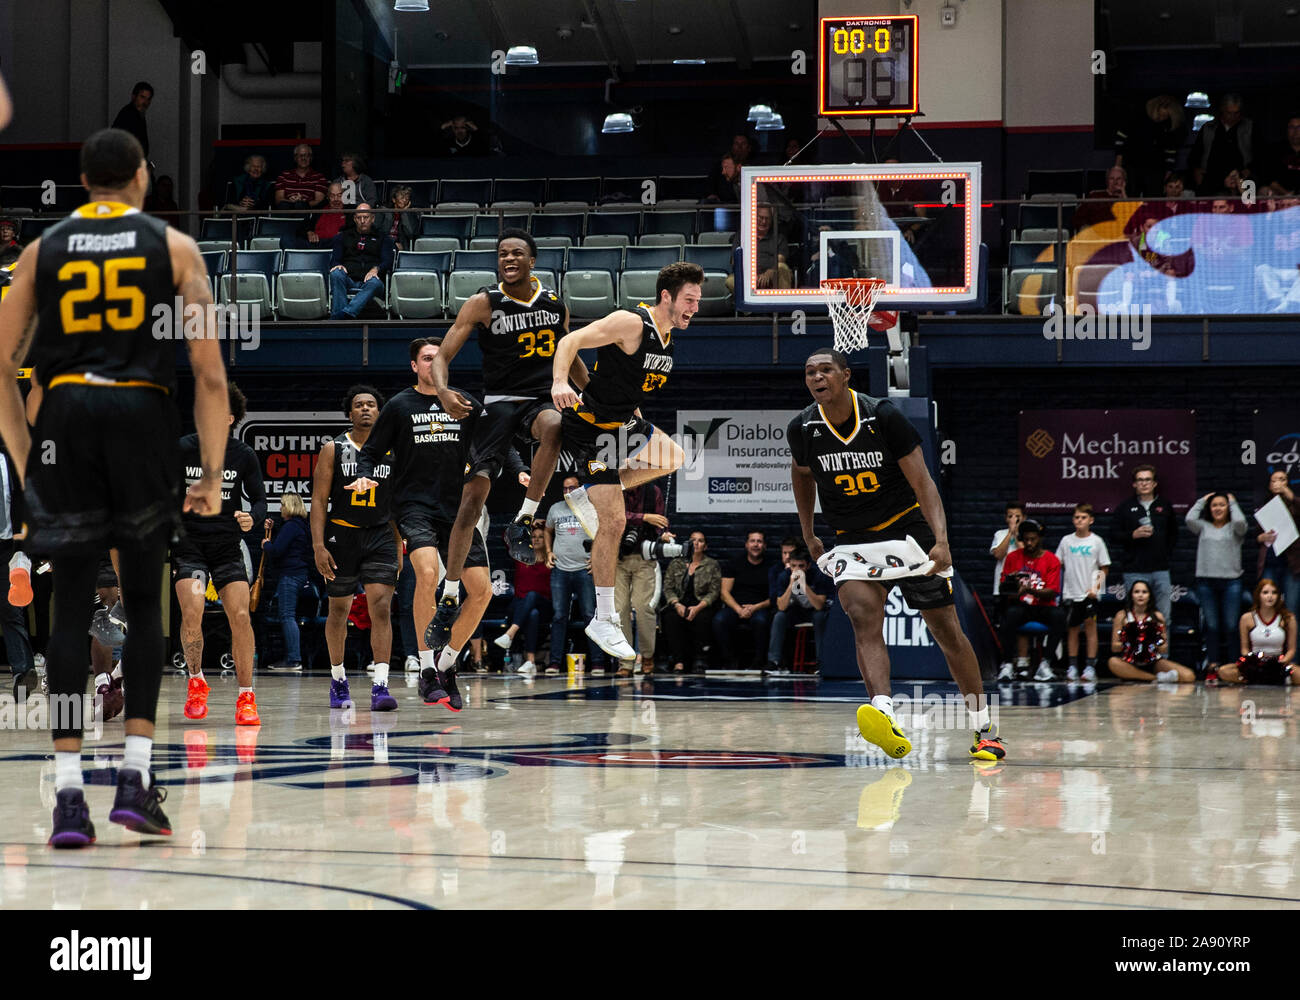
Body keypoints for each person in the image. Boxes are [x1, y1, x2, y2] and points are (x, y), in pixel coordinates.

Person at [0, 127, 229, 847]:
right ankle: (134, 779)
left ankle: (69, 798)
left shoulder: (40, 250)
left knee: (68, 609)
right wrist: (215, 474)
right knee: (140, 600)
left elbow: (1, 368)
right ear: (140, 177)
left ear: (82, 179)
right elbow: (211, 374)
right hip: (140, 411)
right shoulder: (177, 248)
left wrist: (27, 453)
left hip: (66, 410)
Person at [791, 349, 1005, 761]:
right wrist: (808, 532)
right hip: (851, 539)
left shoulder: (882, 416)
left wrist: (941, 540)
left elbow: (925, 483)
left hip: (908, 534)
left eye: (825, 370)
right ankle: (884, 712)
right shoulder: (802, 427)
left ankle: (984, 730)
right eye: (809, 372)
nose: (816, 377)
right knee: (861, 614)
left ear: (846, 376)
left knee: (947, 632)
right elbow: (801, 477)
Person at [425, 230, 585, 656]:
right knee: (471, 501)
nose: (508, 258)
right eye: (502, 254)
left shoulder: (555, 305)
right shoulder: (483, 303)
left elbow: (573, 358)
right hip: (497, 404)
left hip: (537, 401)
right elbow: (442, 355)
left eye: (517, 253)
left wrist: (596, 397)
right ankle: (450, 592)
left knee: (555, 426)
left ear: (533, 260)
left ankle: (524, 517)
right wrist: (441, 390)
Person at [548, 263, 698, 662]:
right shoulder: (630, 322)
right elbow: (570, 341)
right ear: (666, 296)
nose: (694, 308)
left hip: (624, 424)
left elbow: (629, 382)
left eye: (697, 301)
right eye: (689, 300)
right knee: (613, 522)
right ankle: (603, 616)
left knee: (675, 456)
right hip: (593, 430)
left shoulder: (667, 338)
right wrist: (560, 382)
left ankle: (584, 495)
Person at [349, 338, 487, 714]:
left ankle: (446, 666)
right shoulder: (399, 406)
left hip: (458, 511)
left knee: (482, 591)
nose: (434, 363)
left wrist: (521, 470)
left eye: (440, 358)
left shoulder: (463, 402)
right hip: (414, 507)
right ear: (414, 366)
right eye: (427, 358)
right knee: (426, 573)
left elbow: (492, 445)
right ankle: (426, 668)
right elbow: (371, 451)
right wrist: (364, 476)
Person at [174, 382, 266, 725]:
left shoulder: (243, 454)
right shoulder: (183, 449)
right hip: (190, 547)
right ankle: (196, 682)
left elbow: (259, 500)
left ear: (230, 418)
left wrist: (251, 518)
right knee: (193, 611)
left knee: (241, 616)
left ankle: (246, 696)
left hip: (228, 547)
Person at [310, 384, 399, 711]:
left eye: (371, 404)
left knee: (381, 607)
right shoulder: (333, 448)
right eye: (359, 405)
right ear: (350, 413)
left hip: (379, 535)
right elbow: (319, 501)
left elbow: (399, 500)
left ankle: (381, 686)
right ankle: (338, 678)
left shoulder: (393, 448)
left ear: (380, 411)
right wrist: (318, 545)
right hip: (341, 536)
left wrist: (400, 542)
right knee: (338, 610)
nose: (365, 409)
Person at [544, 475, 606, 675]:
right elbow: (547, 530)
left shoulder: (592, 508)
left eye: (572, 488)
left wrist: (596, 559)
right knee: (559, 616)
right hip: (560, 570)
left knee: (590, 615)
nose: (568, 492)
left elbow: (604, 534)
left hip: (584, 570)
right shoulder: (555, 508)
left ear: (581, 489)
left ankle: (597, 663)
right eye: (565, 489)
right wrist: (548, 552)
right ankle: (554, 663)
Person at [997, 518, 1066, 682]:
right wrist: (1011, 583)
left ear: (1040, 539)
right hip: (1021, 606)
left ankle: (1045, 665)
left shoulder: (1051, 559)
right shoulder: (1013, 557)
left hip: (1043, 606)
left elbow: (1052, 592)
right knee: (1009, 615)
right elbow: (1003, 590)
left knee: (1060, 616)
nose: (1029, 543)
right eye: (1025, 539)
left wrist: (1029, 589)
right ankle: (1007, 664)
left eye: (1032, 539)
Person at [1185, 491, 1247, 672]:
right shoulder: (1203, 526)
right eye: (1214, 505)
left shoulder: (1235, 528)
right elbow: (1189, 519)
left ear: (1228, 508)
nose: (1218, 508)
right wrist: (1202, 500)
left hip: (1232, 582)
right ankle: (1213, 664)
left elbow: (1241, 523)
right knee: (1211, 625)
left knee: (1231, 625)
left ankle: (1234, 665)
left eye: (1222, 505)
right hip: (1206, 582)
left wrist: (1233, 502)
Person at [1111, 464, 1178, 625]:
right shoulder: (1125, 508)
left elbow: (1173, 535)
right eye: (1140, 480)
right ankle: (1135, 650)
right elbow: (1113, 536)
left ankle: (1162, 651)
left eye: (1148, 479)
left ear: (1154, 483)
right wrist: (1132, 535)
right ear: (1134, 484)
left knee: (1163, 618)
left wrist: (1164, 554)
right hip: (1134, 570)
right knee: (1134, 618)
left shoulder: (1165, 506)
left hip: (1160, 570)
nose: (1144, 483)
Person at [614, 482, 669, 676]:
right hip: (617, 557)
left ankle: (647, 656)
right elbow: (613, 517)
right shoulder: (614, 491)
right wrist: (644, 517)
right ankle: (626, 661)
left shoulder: (653, 491)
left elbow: (660, 523)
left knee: (643, 606)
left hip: (644, 556)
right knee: (620, 609)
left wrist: (664, 534)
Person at [1056, 503, 1110, 683]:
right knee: (1072, 630)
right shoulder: (1066, 541)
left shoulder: (1096, 541)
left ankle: (1090, 667)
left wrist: (1095, 588)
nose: (1080, 521)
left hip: (1090, 594)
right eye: (1077, 517)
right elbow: (1058, 565)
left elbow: (1104, 567)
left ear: (1091, 520)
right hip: (1071, 594)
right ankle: (1072, 666)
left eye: (1083, 518)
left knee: (1090, 628)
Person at [1107, 579, 1194, 683]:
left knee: (1189, 676)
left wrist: (1150, 642)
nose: (1140, 595)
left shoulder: (1157, 616)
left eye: (1144, 592)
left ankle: (1141, 676)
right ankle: (1154, 678)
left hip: (1152, 662)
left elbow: (1164, 648)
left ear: (1150, 596)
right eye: (1137, 592)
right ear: (1131, 595)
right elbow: (1114, 647)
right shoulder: (1122, 615)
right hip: (1129, 662)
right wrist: (1130, 641)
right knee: (1113, 662)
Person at [262, 494, 312, 672]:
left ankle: (293, 659)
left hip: (290, 575)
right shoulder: (300, 526)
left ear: (290, 507)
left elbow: (276, 551)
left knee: (287, 616)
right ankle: (293, 657)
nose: (281, 508)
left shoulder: (291, 527)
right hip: (299, 575)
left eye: (283, 505)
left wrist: (266, 544)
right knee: (289, 616)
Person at [495, 523, 553, 674]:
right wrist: (526, 523)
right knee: (532, 614)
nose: (537, 539)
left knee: (533, 596)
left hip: (544, 604)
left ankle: (511, 633)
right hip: (520, 605)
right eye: (533, 536)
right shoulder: (522, 556)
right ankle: (530, 662)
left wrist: (546, 525)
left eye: (541, 537)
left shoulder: (550, 559)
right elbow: (506, 536)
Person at [713, 531, 775, 669]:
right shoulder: (735, 563)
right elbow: (724, 593)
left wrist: (755, 607)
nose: (756, 545)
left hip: (760, 608)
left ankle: (759, 661)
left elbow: (774, 597)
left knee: (761, 621)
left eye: (759, 541)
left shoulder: (771, 566)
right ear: (747, 545)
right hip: (735, 607)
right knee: (719, 620)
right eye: (752, 541)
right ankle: (729, 661)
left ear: (764, 545)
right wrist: (739, 609)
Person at [661, 531, 721, 673]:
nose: (696, 543)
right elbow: (668, 588)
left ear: (705, 546)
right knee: (670, 618)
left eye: (700, 541)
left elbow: (714, 591)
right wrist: (676, 604)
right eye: (693, 540)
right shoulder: (676, 563)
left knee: (703, 618)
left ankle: (700, 659)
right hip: (679, 602)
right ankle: (678, 661)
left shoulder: (712, 565)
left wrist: (698, 607)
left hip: (701, 603)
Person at [1219, 579, 1296, 685]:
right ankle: (1262, 679)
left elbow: (1292, 649)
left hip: (1278, 662)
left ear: (1279, 596)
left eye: (1274, 592)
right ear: (1258, 595)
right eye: (1265, 592)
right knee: (1223, 671)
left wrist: (1283, 661)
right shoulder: (1246, 618)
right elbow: (1244, 649)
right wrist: (1252, 662)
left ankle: (1268, 679)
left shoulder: (1288, 618)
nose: (1270, 596)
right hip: (1255, 663)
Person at [766, 548, 832, 671]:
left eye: (801, 566)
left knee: (820, 616)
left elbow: (819, 605)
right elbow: (781, 606)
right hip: (794, 612)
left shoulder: (817, 575)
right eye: (793, 566)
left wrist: (803, 584)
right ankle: (774, 661)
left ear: (808, 566)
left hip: (813, 611)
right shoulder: (784, 576)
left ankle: (821, 662)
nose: (797, 569)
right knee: (779, 616)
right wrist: (791, 584)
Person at [328, 204, 394, 320]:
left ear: (372, 218)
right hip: (349, 279)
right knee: (336, 273)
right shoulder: (343, 236)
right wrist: (337, 265)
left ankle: (343, 316)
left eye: (366, 217)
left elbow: (388, 261)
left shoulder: (383, 238)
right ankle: (342, 314)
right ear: (354, 219)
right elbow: (335, 260)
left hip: (371, 282)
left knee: (375, 282)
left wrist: (376, 269)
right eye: (359, 218)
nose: (362, 221)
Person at [1113, 95, 1186, 197]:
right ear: (1158, 108)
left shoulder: (1167, 126)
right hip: (1133, 165)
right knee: (1131, 195)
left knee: (1154, 199)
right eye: (1162, 115)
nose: (1163, 118)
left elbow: (1171, 149)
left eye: (1166, 117)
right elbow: (1121, 138)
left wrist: (1169, 169)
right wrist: (1118, 164)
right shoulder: (1137, 114)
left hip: (1155, 169)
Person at [1191, 94, 1255, 196]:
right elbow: (1195, 156)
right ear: (1222, 110)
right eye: (1229, 113)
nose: (1233, 117)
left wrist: (1249, 170)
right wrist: (1198, 174)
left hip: (1243, 176)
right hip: (1212, 177)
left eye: (1236, 113)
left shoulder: (1249, 127)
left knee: (1249, 202)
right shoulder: (1208, 128)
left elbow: (1260, 155)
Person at [1257, 470, 1300, 612]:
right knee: (1268, 607)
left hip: (1292, 564)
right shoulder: (1264, 506)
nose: (1278, 483)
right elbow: (1255, 535)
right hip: (1271, 562)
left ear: (1287, 483)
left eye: (1282, 479)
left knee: (1291, 608)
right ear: (1269, 485)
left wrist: (1289, 495)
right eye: (1274, 480)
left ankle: (1293, 635)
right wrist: (1261, 537)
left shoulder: (1294, 504)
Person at [274, 143, 328, 209]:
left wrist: (303, 202)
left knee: (300, 206)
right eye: (301, 155)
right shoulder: (284, 176)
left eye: (307, 155)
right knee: (284, 205)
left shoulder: (319, 178)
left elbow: (318, 202)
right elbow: (278, 200)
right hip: (286, 210)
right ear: (295, 158)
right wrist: (292, 202)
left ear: (311, 158)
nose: (304, 158)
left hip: (307, 212)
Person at [989, 500, 1025, 599]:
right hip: (1001, 586)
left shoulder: (1027, 536)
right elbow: (998, 555)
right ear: (1006, 519)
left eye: (1017, 516)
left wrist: (1016, 533)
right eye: (1010, 516)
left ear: (1023, 518)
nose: (1014, 519)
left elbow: (1025, 553)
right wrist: (1010, 533)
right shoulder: (999, 534)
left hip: (1023, 587)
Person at [110, 82, 152, 159]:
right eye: (142, 97)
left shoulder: (139, 114)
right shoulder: (128, 114)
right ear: (134, 97)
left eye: (148, 99)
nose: (145, 102)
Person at [376, 184, 419, 251]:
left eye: (407, 198)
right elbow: (376, 231)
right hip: (383, 244)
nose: (404, 200)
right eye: (402, 198)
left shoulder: (412, 214)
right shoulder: (383, 211)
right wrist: (393, 242)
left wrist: (404, 213)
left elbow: (411, 233)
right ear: (394, 200)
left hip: (401, 247)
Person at [1265, 115, 1300, 196]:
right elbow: (1269, 179)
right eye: (1292, 127)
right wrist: (1287, 194)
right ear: (1287, 130)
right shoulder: (1276, 150)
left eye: (1299, 127)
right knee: (1265, 190)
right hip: (1281, 194)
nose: (1295, 131)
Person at [305, 181, 347, 246]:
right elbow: (304, 226)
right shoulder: (319, 210)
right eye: (332, 196)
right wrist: (309, 232)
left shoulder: (350, 211)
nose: (336, 199)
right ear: (328, 197)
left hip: (339, 246)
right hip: (318, 246)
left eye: (339, 195)